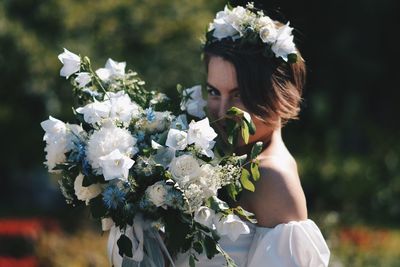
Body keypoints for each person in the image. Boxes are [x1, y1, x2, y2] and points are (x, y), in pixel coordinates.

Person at [174, 3, 330, 267]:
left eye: (239, 94)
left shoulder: (272, 178)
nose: (223, 110)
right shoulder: (217, 155)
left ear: (279, 91)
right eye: (214, 92)